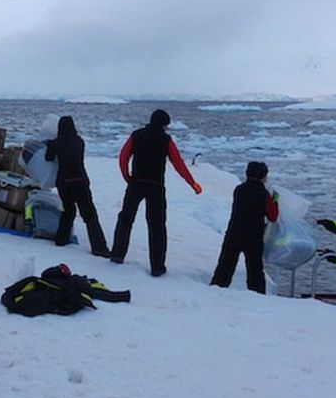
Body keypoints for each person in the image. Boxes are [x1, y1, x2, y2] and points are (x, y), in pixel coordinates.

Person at [110, 109, 202, 276]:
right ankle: (157, 267)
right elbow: (178, 163)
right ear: (164, 124)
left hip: (136, 184)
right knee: (157, 226)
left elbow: (123, 157)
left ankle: (117, 254)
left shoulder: (136, 135)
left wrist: (128, 177)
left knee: (125, 219)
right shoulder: (165, 140)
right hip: (155, 187)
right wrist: (192, 183)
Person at [44, 116, 110, 257]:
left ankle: (61, 239)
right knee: (90, 215)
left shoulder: (56, 143)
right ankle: (99, 247)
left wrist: (50, 144)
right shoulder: (79, 142)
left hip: (64, 182)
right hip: (80, 180)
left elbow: (48, 158)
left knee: (68, 211)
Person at [209, 161, 279, 294]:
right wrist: (275, 200)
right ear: (263, 176)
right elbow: (272, 216)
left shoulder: (239, 190)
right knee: (255, 270)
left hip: (234, 233)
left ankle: (216, 290)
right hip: (253, 236)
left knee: (225, 266)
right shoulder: (264, 194)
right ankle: (257, 295)